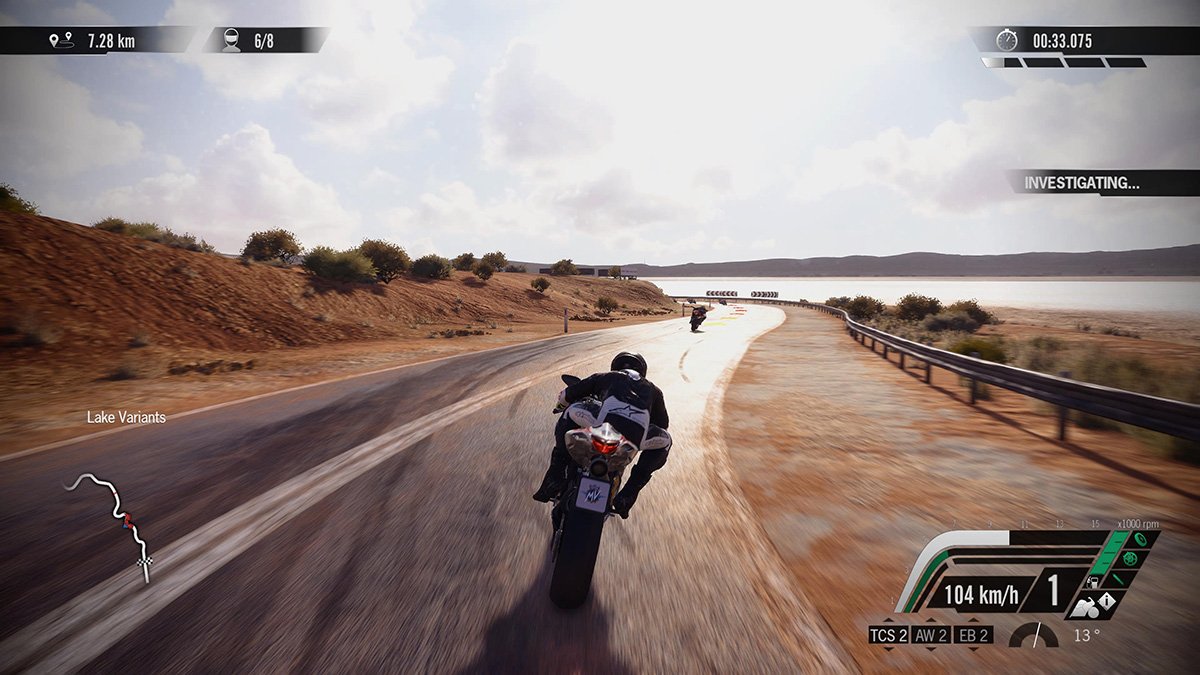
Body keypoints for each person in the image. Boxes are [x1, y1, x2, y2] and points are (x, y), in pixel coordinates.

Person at [532, 351, 672, 518]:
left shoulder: (607, 377)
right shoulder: (655, 390)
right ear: (643, 371)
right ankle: (629, 493)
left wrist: (559, 407)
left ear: (615, 367)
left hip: (604, 426)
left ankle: (556, 474)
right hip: (634, 438)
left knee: (570, 411)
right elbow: (663, 425)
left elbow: (567, 395)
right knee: (666, 441)